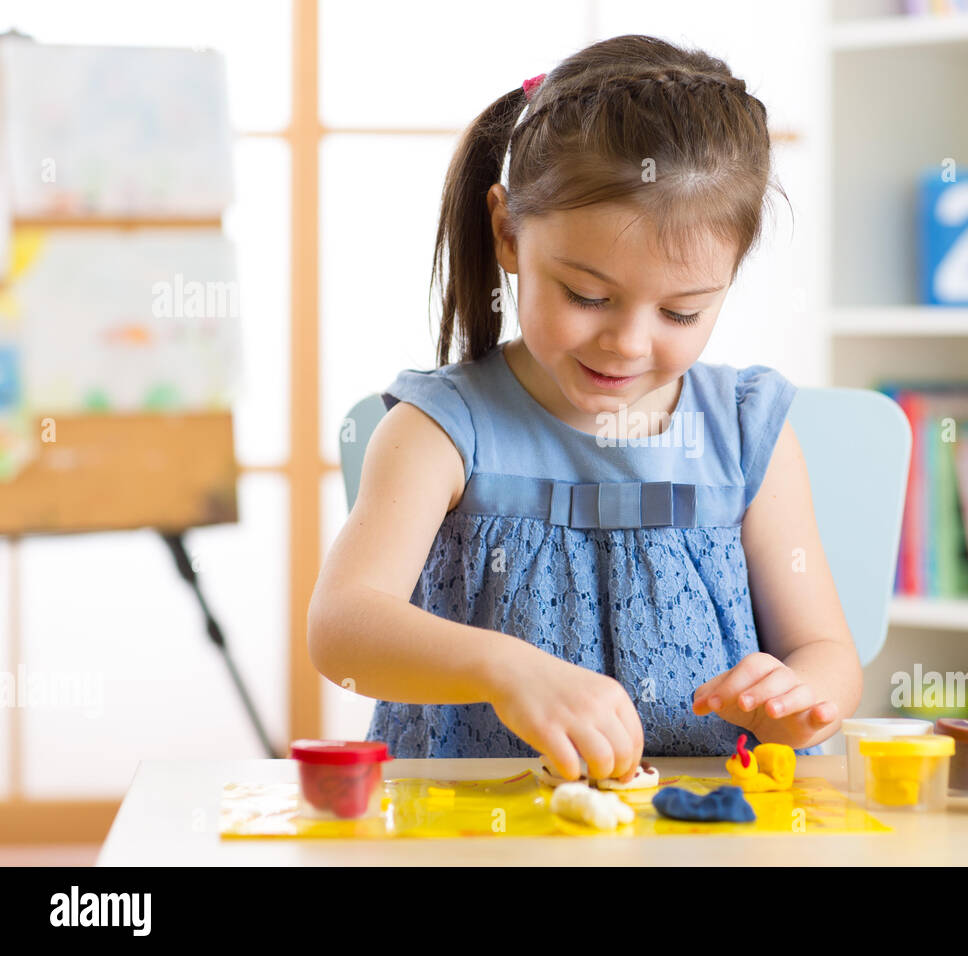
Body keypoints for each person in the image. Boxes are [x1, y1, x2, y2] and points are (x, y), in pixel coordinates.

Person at [309, 35, 860, 785]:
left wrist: (802, 698)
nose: (628, 343)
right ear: (508, 233)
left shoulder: (743, 431)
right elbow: (341, 630)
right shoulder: (442, 429)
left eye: (681, 312)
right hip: (477, 831)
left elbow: (825, 652)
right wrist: (503, 669)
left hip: (702, 829)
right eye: (588, 297)